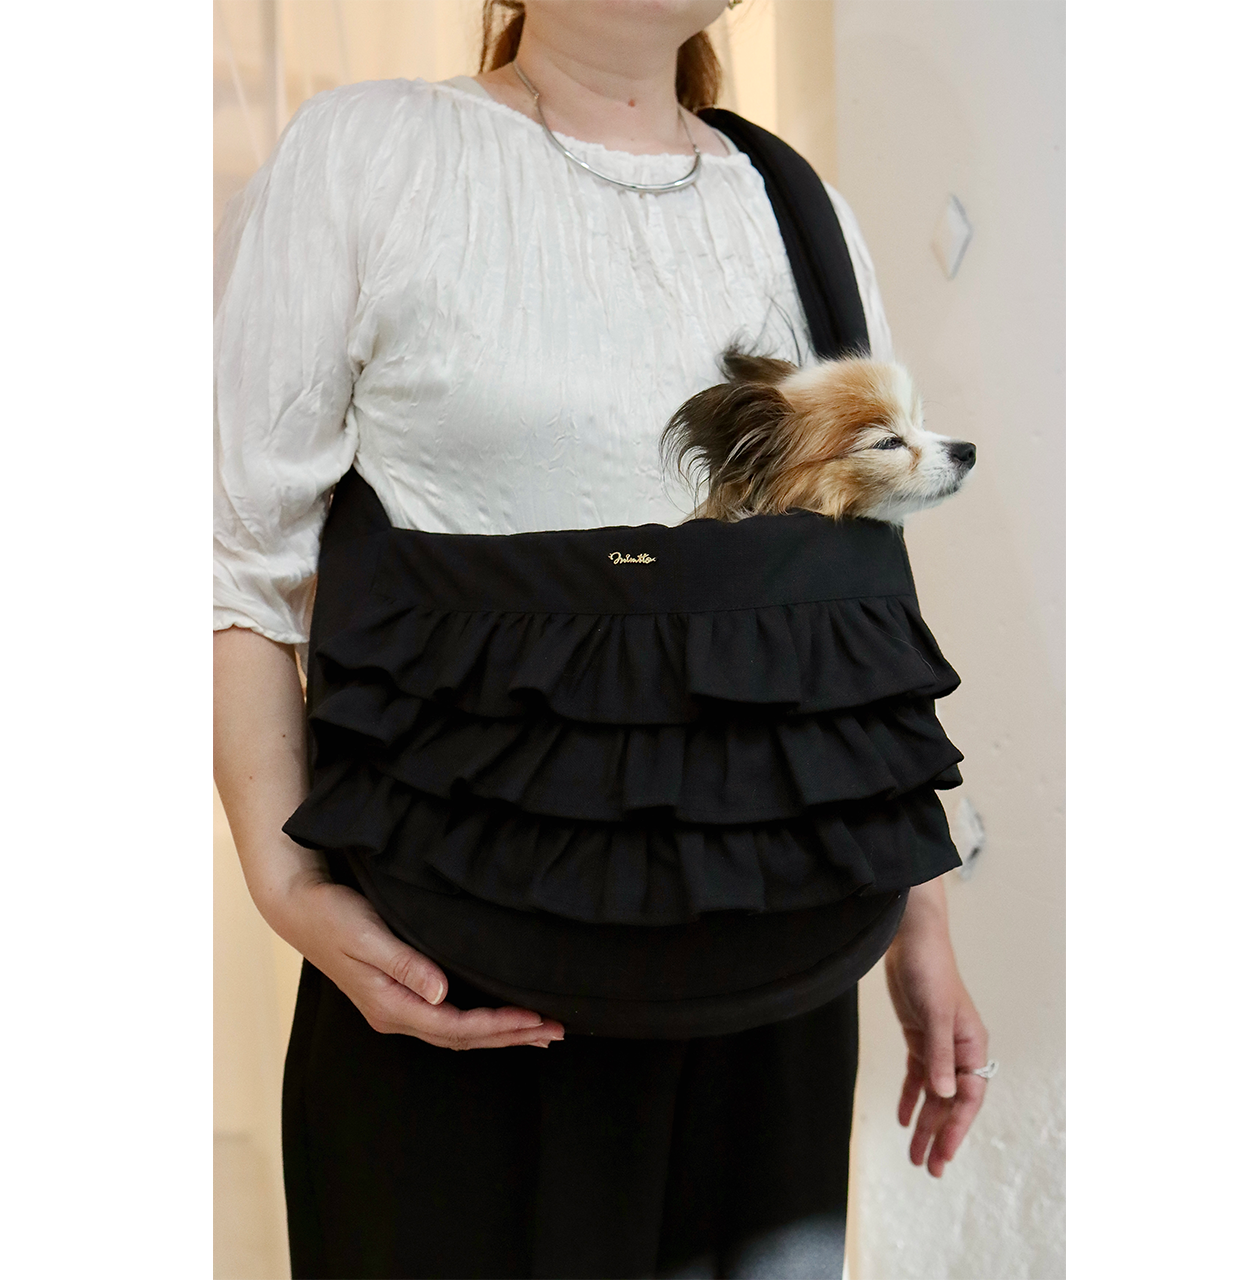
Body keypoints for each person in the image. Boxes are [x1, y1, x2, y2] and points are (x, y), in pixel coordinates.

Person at [213, 2, 990, 1275]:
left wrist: (920, 922)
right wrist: (281, 880)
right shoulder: (368, 154)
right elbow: (236, 558)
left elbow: (849, 604)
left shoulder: (799, 215)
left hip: (775, 971)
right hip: (449, 965)